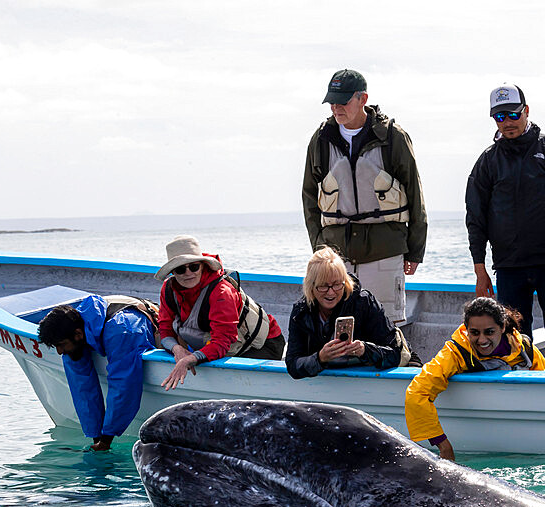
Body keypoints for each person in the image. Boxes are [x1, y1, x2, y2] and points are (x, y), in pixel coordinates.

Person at [466, 84, 545, 370]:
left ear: (526, 111)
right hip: (509, 267)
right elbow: (476, 218)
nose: (507, 122)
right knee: (515, 343)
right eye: (499, 117)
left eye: (512, 115)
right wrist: (480, 271)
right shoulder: (487, 161)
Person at [301, 68, 428, 325]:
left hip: (385, 250)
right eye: (332, 102)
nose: (336, 108)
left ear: (363, 99)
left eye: (343, 101)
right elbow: (308, 196)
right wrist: (319, 248)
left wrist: (415, 251)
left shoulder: (394, 138)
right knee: (338, 324)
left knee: (387, 326)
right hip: (337, 254)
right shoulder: (320, 140)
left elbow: (415, 195)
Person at [405, 297, 545, 461]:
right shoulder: (454, 352)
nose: (482, 340)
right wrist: (443, 444)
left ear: (502, 327)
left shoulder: (524, 348)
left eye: (489, 332)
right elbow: (417, 392)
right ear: (466, 329)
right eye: (474, 333)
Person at [155, 236, 285, 390]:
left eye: (194, 267)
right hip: (220, 345)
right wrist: (176, 349)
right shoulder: (168, 289)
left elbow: (223, 341)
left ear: (203, 265)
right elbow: (164, 328)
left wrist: (190, 359)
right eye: (180, 269)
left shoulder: (221, 292)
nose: (188, 273)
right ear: (172, 272)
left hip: (261, 345)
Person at [37, 295, 157, 451]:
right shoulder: (72, 335)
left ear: (78, 334)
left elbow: (124, 387)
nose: (60, 352)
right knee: (72, 355)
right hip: (108, 328)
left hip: (143, 322)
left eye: (61, 345)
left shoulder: (122, 331)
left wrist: (106, 440)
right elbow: (82, 389)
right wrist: (96, 437)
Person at [286, 247, 419, 378]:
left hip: (378, 370)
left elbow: (394, 354)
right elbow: (292, 365)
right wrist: (320, 358)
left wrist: (365, 350)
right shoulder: (301, 311)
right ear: (311, 286)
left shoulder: (363, 302)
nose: (331, 292)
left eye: (337, 284)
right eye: (323, 286)